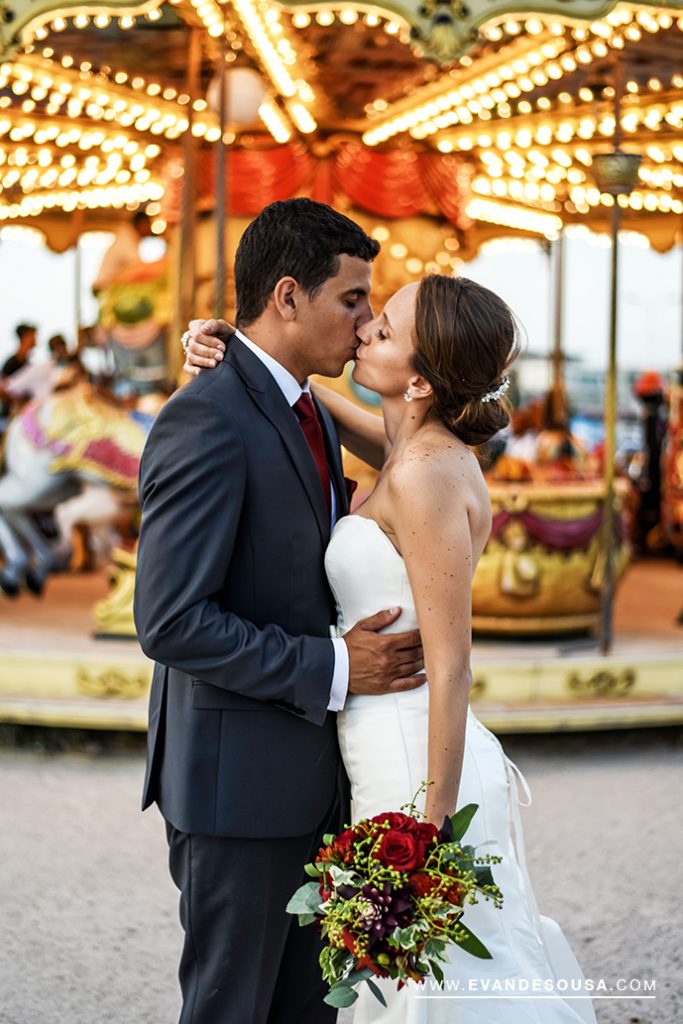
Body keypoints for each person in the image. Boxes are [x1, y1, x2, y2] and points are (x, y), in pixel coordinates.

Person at [186, 272, 597, 1023]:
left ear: (416, 376)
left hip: (414, 760)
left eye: (385, 328)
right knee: (396, 979)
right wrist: (236, 350)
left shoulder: (428, 475)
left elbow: (451, 664)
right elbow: (308, 402)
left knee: (423, 985)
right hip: (376, 745)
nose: (365, 328)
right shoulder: (409, 445)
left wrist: (430, 828)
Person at [133, 199, 426, 1024]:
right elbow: (170, 619)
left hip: (322, 781)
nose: (367, 322)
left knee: (309, 1010)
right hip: (239, 788)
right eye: (352, 299)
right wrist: (337, 665)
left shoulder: (301, 408)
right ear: (288, 296)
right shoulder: (207, 418)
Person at [92, 209, 153, 293]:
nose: (150, 229)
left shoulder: (128, 237)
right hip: (104, 287)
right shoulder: (127, 240)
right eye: (148, 224)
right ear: (142, 224)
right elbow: (137, 266)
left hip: (107, 287)